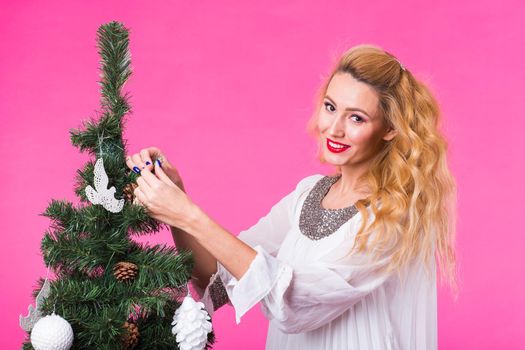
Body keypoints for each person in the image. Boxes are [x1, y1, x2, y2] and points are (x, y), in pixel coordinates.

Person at [125, 44, 458, 350]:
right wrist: (176, 204)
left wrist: (187, 213)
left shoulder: (391, 217)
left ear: (390, 128)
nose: (335, 128)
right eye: (331, 107)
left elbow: (293, 304)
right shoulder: (307, 195)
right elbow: (217, 276)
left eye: (356, 117)